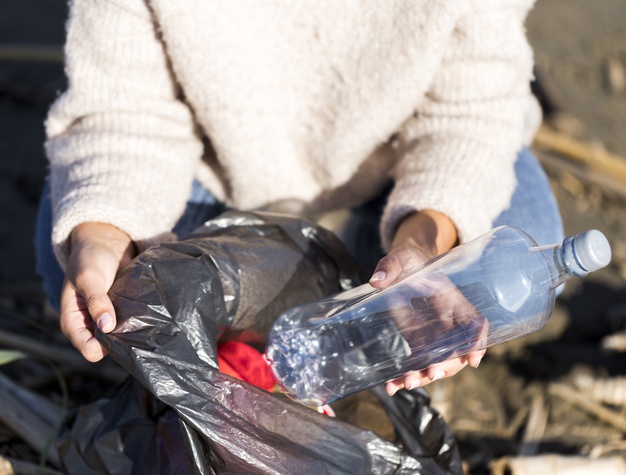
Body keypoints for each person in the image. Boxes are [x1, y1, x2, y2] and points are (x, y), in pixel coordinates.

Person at [35, 0, 563, 397]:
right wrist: (104, 232)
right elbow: (123, 109)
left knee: (523, 245)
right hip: (210, 162)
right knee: (77, 252)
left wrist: (424, 243)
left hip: (391, 164)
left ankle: (325, 290)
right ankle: (312, 300)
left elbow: (469, 113)